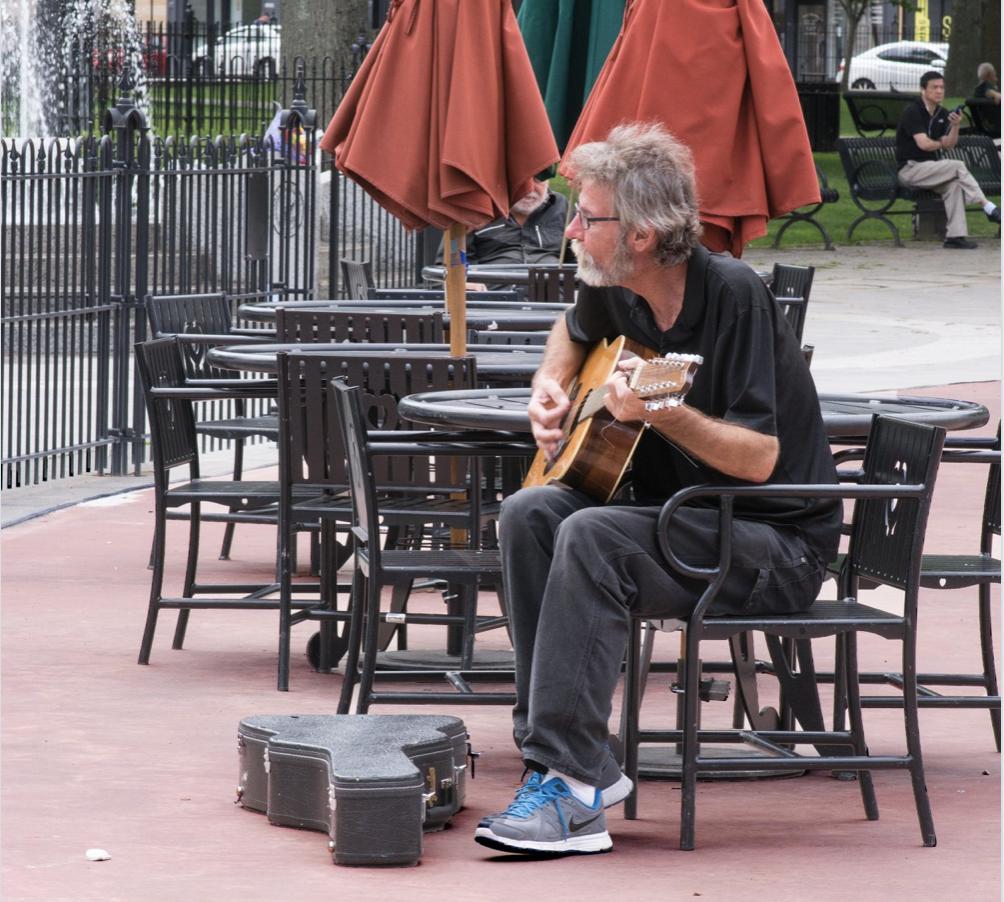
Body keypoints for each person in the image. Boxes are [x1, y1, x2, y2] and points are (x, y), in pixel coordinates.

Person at [474, 123, 843, 857]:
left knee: (592, 534)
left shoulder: (732, 293)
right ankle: (556, 756)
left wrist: (664, 414)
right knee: (529, 512)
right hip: (684, 522)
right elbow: (570, 332)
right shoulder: (618, 292)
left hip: (775, 543)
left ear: (641, 235)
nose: (570, 227)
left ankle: (575, 789)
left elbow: (760, 458)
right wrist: (550, 386)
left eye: (589, 217)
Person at [895, 70, 1001, 250]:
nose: (939, 91)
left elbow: (950, 144)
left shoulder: (942, 113)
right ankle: (987, 206)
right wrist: (939, 143)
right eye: (934, 87)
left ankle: (955, 237)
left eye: (942, 87)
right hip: (910, 170)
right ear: (923, 90)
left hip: (932, 169)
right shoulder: (913, 111)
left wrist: (955, 126)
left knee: (954, 185)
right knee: (958, 166)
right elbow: (924, 145)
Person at [436, 177, 570, 290]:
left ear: (548, 182)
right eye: (521, 178)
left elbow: (578, 256)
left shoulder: (561, 206)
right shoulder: (477, 207)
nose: (529, 188)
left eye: (538, 179)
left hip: (555, 303)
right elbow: (452, 252)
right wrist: (460, 280)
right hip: (491, 306)